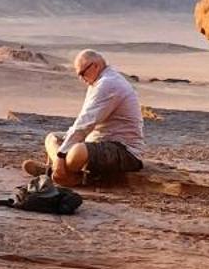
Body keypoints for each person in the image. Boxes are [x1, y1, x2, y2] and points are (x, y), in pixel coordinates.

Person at [24, 50, 145, 187]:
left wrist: (60, 155)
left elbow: (86, 124)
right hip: (96, 142)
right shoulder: (97, 83)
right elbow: (81, 122)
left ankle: (59, 173)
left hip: (123, 150)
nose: (81, 79)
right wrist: (63, 149)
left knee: (77, 151)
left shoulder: (108, 84)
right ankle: (62, 172)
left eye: (82, 73)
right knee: (52, 138)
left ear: (95, 66)